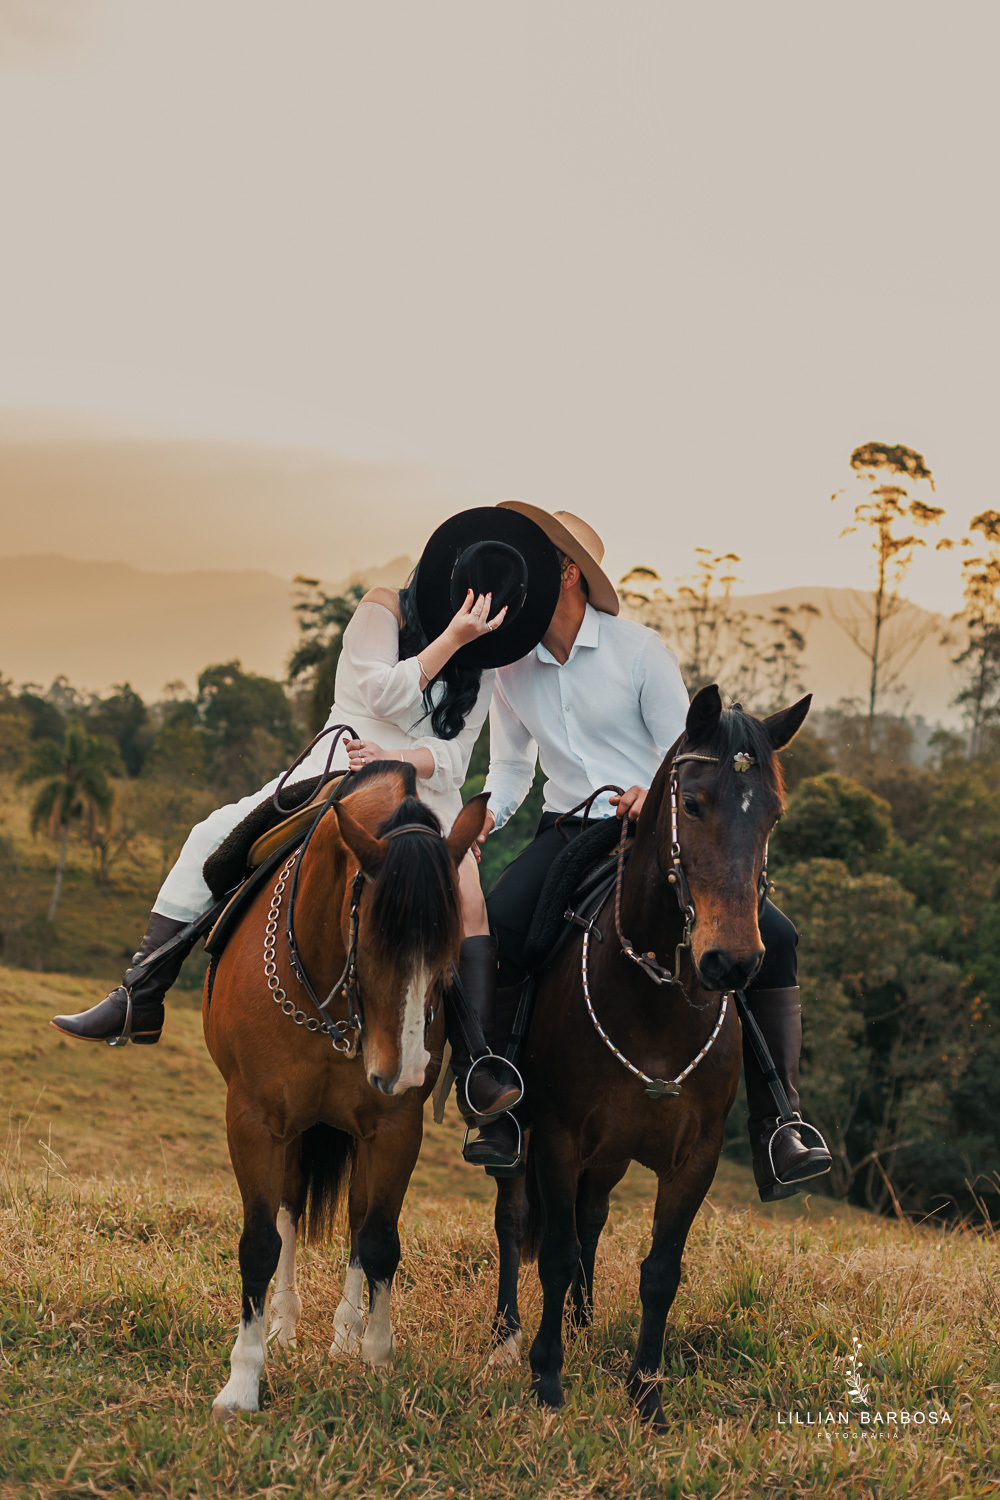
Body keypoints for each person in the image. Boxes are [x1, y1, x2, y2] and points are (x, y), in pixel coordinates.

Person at [51, 507, 562, 1134]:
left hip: (425, 790)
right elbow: (376, 694)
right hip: (336, 762)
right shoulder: (381, 610)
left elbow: (456, 754)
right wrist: (449, 640)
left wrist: (402, 753)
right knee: (212, 832)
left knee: (470, 900)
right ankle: (142, 992)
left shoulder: (482, 663)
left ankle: (476, 1064)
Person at [472, 502, 832, 1199]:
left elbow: (688, 753)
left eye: (532, 566)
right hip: (569, 829)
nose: (515, 581)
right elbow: (513, 770)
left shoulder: (639, 653)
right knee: (501, 924)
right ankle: (502, 1105)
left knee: (776, 938)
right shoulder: (509, 669)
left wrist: (647, 792)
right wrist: (485, 817)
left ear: (569, 574)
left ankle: (779, 1122)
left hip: (659, 830)